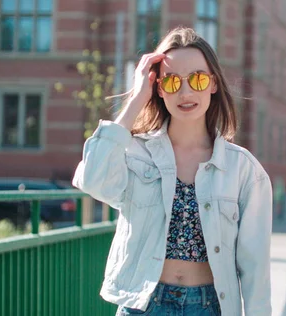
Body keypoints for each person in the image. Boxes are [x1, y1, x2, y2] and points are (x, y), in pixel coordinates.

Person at [72, 27, 272, 316]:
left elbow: (255, 268)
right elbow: (91, 181)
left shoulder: (243, 170)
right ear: (159, 88)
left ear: (213, 84)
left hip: (208, 306)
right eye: (172, 81)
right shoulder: (135, 153)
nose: (186, 91)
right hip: (143, 303)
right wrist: (137, 98)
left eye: (198, 79)